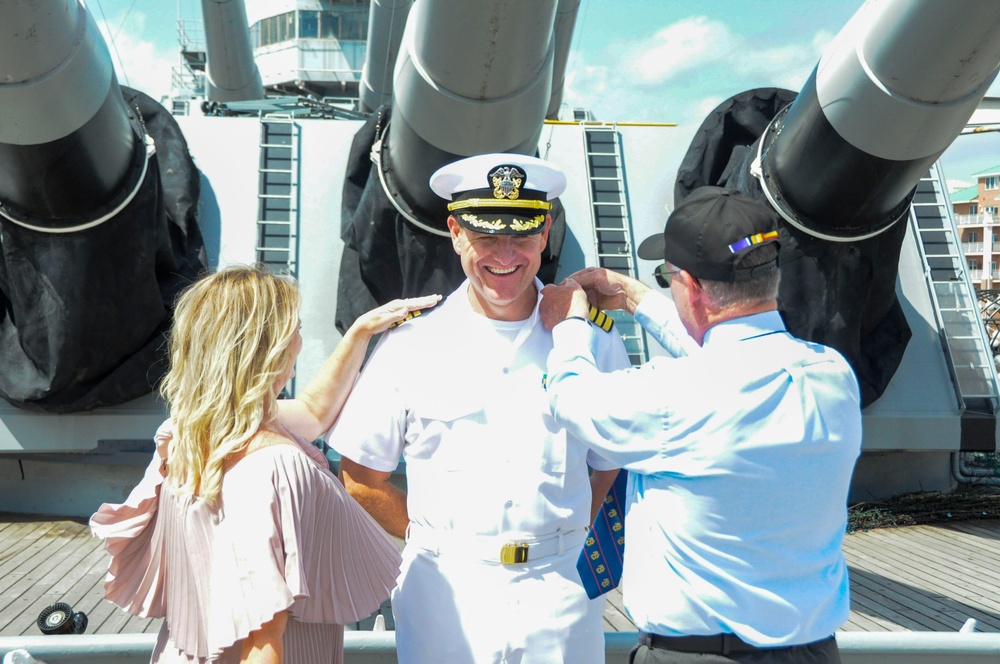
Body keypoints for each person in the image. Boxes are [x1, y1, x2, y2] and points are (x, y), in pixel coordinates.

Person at [327, 153, 632, 663]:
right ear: (455, 232)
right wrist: (440, 541)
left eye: (522, 235)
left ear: (545, 232)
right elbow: (360, 477)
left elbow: (610, 462)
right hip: (446, 593)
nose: (505, 255)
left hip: (560, 592)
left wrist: (562, 536)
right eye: (487, 236)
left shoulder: (592, 340)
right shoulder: (411, 342)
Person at [539, 186, 862, 664]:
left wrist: (568, 324)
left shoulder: (671, 395)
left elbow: (571, 396)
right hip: (812, 653)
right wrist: (636, 297)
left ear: (690, 286)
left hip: (700, 655)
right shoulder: (832, 375)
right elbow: (731, 366)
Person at [91, 264, 441, 664]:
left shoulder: (187, 433)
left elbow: (312, 412)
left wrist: (361, 332)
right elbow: (262, 646)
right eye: (293, 328)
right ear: (267, 347)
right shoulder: (275, 466)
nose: (299, 341)